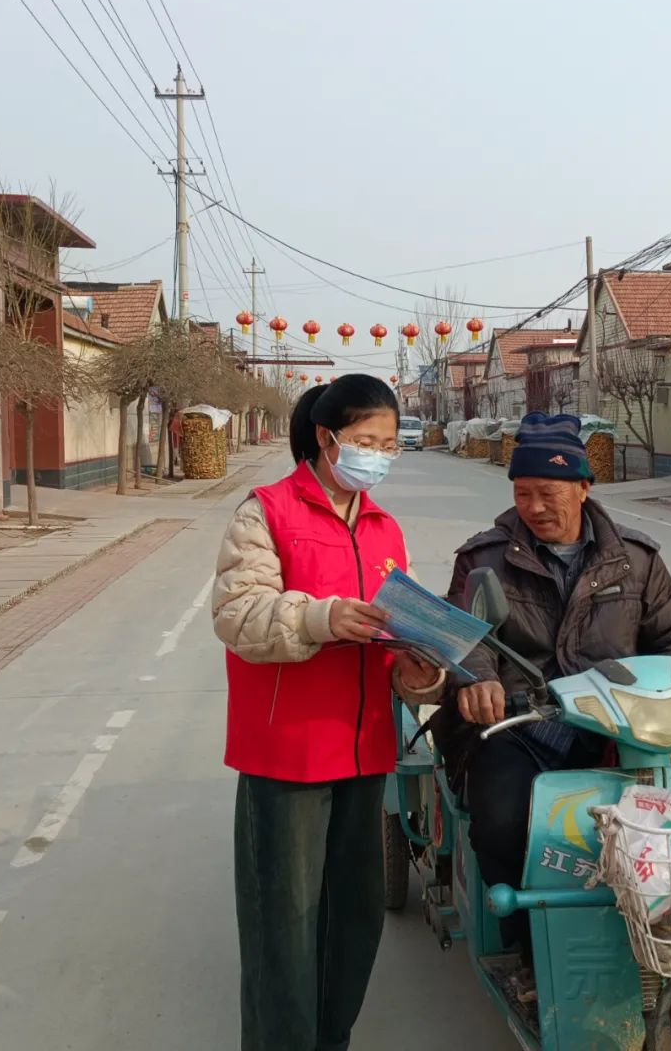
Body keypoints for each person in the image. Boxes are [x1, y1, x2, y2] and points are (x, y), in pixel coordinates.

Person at [212, 375, 444, 1051]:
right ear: (326, 436)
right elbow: (239, 615)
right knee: (283, 926)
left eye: (389, 445)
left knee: (353, 919)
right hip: (287, 754)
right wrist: (323, 616)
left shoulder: (383, 527)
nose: (378, 455)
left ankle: (331, 1037)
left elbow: (393, 633)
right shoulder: (266, 512)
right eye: (366, 441)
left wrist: (417, 669)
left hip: (367, 751)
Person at [435, 412, 671, 988]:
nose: (534, 507)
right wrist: (479, 680)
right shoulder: (484, 560)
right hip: (516, 727)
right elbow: (463, 635)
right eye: (523, 493)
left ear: (584, 487)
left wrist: (666, 691)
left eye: (548, 492)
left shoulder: (636, 559)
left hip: (615, 729)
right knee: (505, 823)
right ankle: (530, 956)